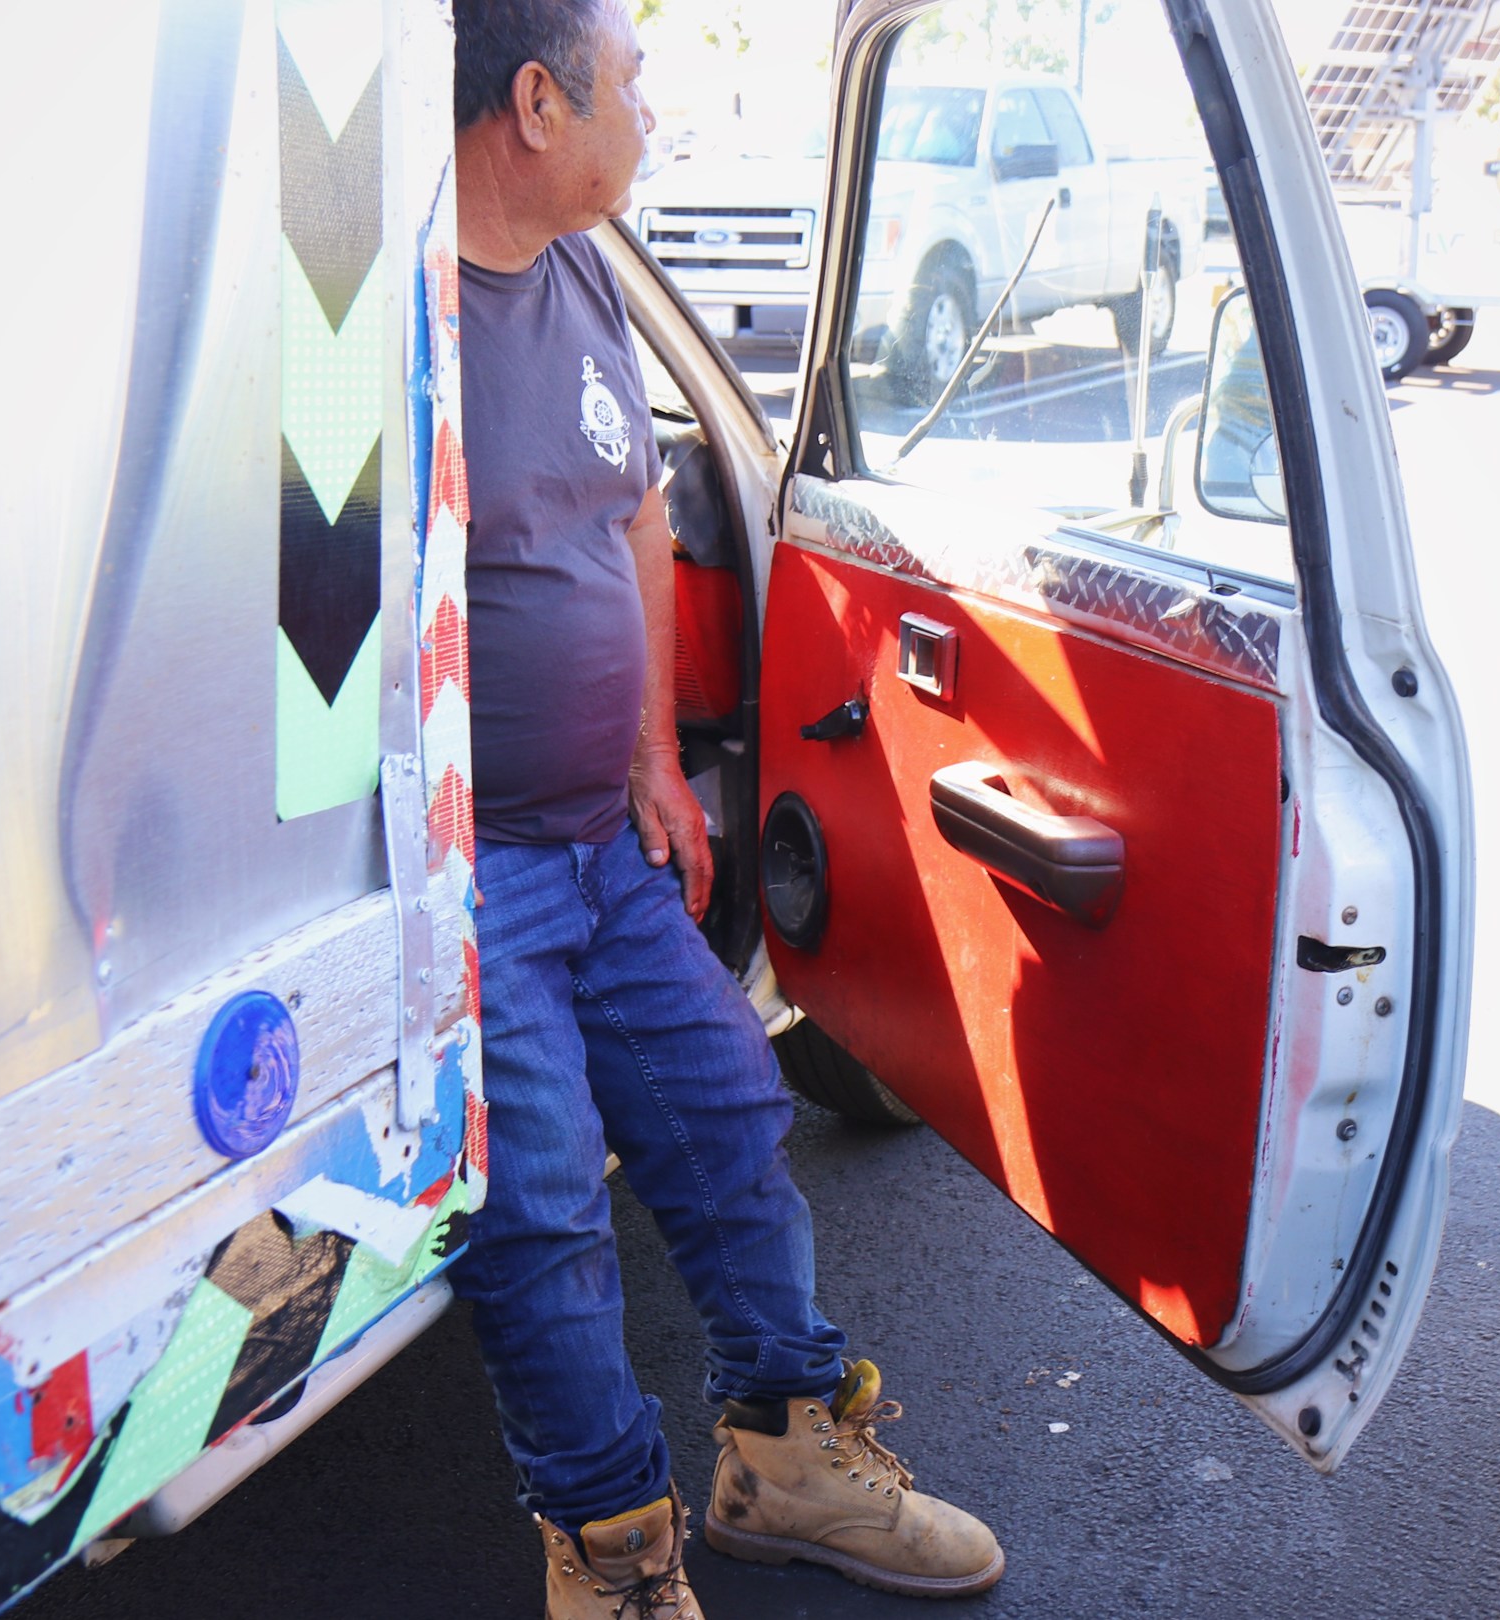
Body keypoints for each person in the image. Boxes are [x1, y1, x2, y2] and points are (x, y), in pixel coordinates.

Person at [448, 3, 1005, 1614]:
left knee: (729, 1111)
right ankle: (615, 1556)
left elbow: (633, 513)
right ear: (537, 103)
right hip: (466, 871)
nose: (652, 110)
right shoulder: (386, 319)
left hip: (595, 842)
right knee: (542, 1210)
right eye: (631, 80)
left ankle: (786, 1456)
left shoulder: (578, 275)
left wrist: (642, 758)